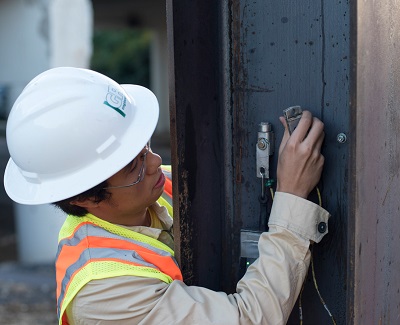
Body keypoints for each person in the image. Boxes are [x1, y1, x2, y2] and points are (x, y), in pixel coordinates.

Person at [3, 67, 330, 325]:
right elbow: (248, 319)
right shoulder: (104, 293)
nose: (157, 162)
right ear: (85, 199)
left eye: (143, 146)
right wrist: (291, 198)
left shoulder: (150, 190)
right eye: (133, 166)